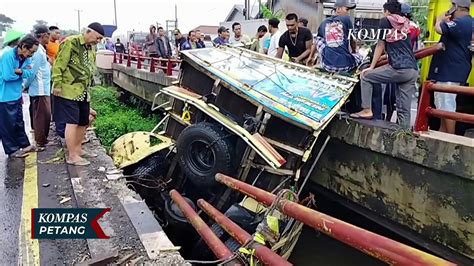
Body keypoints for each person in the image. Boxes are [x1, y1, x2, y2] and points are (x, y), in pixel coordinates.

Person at [350, 1, 418, 130]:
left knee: (367, 76)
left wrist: (372, 66)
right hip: (412, 70)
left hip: (398, 68)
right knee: (403, 108)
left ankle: (366, 110)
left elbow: (380, 44)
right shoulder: (406, 23)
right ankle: (404, 133)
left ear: (387, 11)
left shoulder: (386, 20)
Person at [52, 22, 104, 166]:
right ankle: (72, 155)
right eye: (98, 38)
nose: (98, 41)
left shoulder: (91, 48)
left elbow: (91, 67)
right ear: (89, 32)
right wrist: (57, 84)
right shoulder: (71, 42)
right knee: (72, 122)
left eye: (100, 39)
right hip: (68, 90)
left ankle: (78, 149)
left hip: (83, 90)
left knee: (83, 121)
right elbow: (59, 64)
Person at [428, 0, 472, 134]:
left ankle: (450, 139)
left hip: (449, 70)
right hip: (456, 69)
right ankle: (443, 132)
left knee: (446, 106)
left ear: (456, 7)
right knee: (442, 105)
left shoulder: (461, 23)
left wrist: (440, 19)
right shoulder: (470, 22)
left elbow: (439, 29)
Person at [0, 34, 38, 158]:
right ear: (23, 47)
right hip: (5, 96)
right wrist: (22, 73)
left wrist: (20, 71)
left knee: (18, 122)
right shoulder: (8, 56)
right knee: (8, 124)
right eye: (31, 52)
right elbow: (7, 76)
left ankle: (24, 144)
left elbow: (30, 73)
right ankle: (12, 150)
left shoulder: (26, 58)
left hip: (16, 94)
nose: (31, 55)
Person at [314, 0, 363, 73]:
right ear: (338, 9)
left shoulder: (324, 23)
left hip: (327, 66)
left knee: (318, 39)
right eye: (347, 9)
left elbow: (316, 43)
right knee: (360, 57)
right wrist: (354, 52)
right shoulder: (346, 19)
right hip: (345, 66)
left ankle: (322, 61)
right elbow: (352, 40)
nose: (348, 12)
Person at [25, 26, 52, 151]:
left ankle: (42, 139)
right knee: (41, 116)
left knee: (45, 115)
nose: (49, 38)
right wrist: (25, 86)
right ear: (43, 35)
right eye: (48, 35)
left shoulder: (41, 50)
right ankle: (40, 141)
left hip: (43, 88)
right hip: (39, 89)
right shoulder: (38, 52)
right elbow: (32, 72)